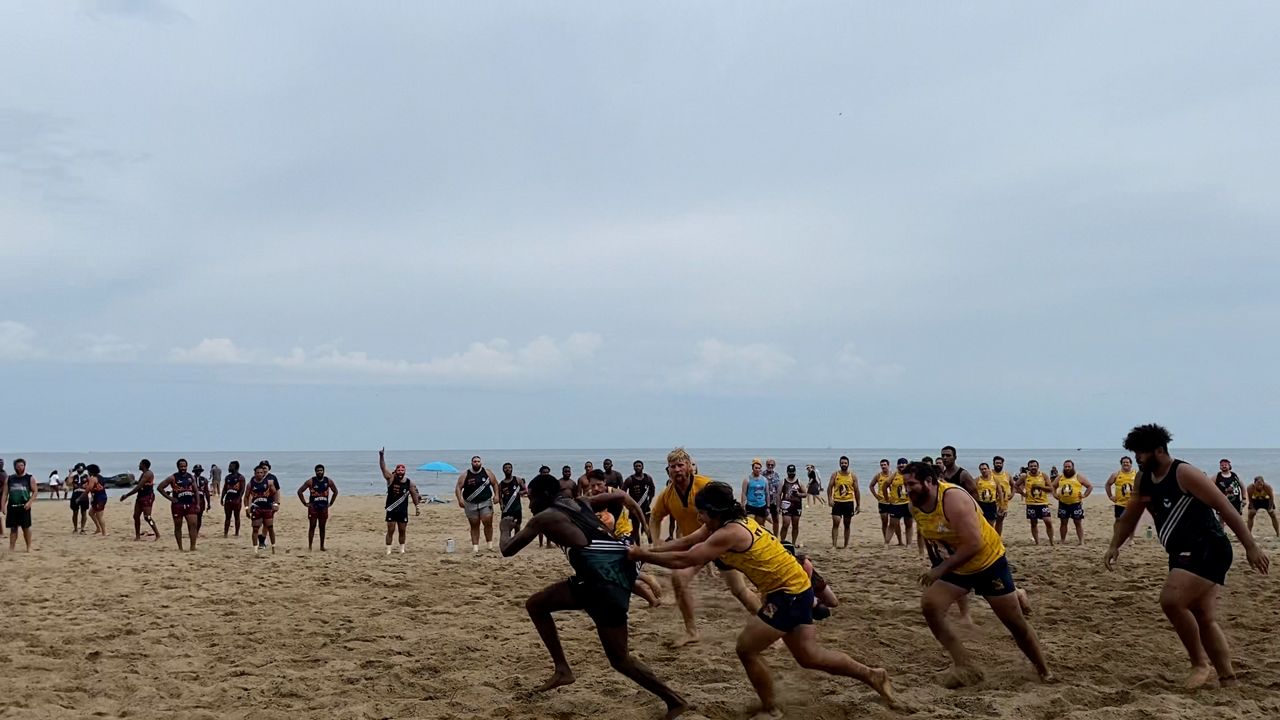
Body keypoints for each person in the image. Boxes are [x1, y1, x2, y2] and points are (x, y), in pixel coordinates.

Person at [633, 481, 896, 717]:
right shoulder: (728, 522)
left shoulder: (729, 533)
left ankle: (770, 709)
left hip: (788, 595)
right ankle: (872, 674)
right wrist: (649, 548)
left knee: (746, 648)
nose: (699, 516)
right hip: (797, 588)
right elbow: (687, 541)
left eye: (702, 511)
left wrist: (640, 557)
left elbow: (688, 558)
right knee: (810, 656)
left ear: (715, 512)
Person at [499, 474, 688, 719]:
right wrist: (640, 524)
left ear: (544, 496)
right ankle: (562, 669)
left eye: (531, 498)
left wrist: (505, 528)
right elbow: (620, 495)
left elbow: (507, 549)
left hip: (603, 586)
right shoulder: (582, 503)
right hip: (603, 579)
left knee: (620, 659)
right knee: (536, 604)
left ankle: (675, 700)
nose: (530, 504)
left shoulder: (543, 518)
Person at [1105, 423, 1270, 689]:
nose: (1137, 458)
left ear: (1159, 450)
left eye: (1141, 453)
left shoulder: (1184, 473)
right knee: (1204, 616)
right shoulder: (1144, 478)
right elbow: (1130, 515)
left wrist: (1251, 546)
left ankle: (1199, 663)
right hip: (1180, 553)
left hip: (1209, 548)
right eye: (1135, 453)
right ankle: (1228, 678)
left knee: (1171, 600)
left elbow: (1224, 506)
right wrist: (1115, 545)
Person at [904, 461, 1053, 687]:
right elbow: (931, 537)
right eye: (905, 484)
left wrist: (940, 570)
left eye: (912, 484)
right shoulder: (914, 505)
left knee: (1015, 624)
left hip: (988, 563)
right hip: (956, 567)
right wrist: (938, 565)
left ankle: (1044, 670)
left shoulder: (954, 500)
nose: (907, 489)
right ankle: (964, 663)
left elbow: (974, 544)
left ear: (929, 481)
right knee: (930, 606)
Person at [650, 447, 760, 647]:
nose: (676, 470)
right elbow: (655, 517)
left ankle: (771, 629)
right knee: (679, 578)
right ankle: (692, 631)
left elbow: (730, 508)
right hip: (698, 547)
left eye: (680, 465)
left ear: (690, 467)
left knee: (739, 590)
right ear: (668, 471)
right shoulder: (667, 494)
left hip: (721, 543)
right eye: (672, 466)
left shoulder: (705, 485)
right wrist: (656, 540)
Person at [379, 448, 421, 554]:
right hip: (391, 509)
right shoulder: (391, 479)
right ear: (396, 471)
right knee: (391, 530)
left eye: (402, 470)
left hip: (403, 510)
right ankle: (388, 549)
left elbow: (414, 494)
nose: (400, 472)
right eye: (399, 470)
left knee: (402, 530)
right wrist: (381, 457)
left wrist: (417, 507)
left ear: (405, 471)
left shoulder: (409, 482)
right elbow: (383, 469)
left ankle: (402, 549)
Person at [456, 456, 500, 554]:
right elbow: (458, 487)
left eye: (478, 461)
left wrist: (497, 495)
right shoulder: (466, 474)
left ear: (481, 463)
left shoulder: (487, 473)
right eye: (474, 461)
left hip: (485, 502)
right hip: (470, 503)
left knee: (487, 521)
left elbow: (495, 484)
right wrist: (460, 500)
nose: (476, 463)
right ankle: (475, 547)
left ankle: (490, 545)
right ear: (471, 463)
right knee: (474, 524)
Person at [157, 458, 200, 551]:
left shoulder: (191, 477)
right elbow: (160, 488)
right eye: (181, 466)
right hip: (178, 505)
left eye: (185, 466)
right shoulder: (173, 477)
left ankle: (193, 546)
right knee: (178, 526)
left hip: (190, 504)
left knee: (193, 524)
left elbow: (196, 491)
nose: (183, 468)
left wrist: (198, 504)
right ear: (178, 467)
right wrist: (171, 498)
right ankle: (180, 547)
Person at [297, 464, 339, 551]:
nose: (319, 472)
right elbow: (300, 491)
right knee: (312, 526)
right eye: (318, 470)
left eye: (321, 470)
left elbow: (335, 491)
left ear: (324, 471)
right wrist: (305, 503)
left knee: (322, 527)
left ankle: (322, 546)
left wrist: (331, 503)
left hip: (324, 507)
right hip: (313, 508)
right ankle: (310, 547)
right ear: (315, 472)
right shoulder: (311, 481)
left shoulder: (328, 481)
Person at [1052, 459, 1092, 545]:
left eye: (1069, 466)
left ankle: (1081, 541)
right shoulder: (1060, 477)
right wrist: (1054, 495)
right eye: (1065, 467)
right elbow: (1053, 486)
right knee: (1063, 523)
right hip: (1063, 504)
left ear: (1072, 467)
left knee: (1078, 522)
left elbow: (1089, 486)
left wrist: (1084, 495)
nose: (1067, 468)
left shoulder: (1078, 476)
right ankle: (1062, 540)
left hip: (1076, 504)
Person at [119, 458, 159, 541]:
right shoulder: (143, 473)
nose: (139, 465)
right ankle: (137, 536)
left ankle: (157, 533)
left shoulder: (148, 473)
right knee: (136, 516)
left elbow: (138, 487)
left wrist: (127, 495)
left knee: (147, 517)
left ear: (144, 465)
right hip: (140, 496)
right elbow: (141, 483)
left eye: (140, 464)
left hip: (147, 497)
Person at [1018, 460, 1055, 546]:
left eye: (1035, 466)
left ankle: (1051, 542)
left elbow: (1050, 489)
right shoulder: (1025, 476)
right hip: (1031, 504)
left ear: (1038, 467)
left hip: (1043, 503)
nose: (1033, 467)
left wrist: (1040, 486)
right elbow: (1016, 485)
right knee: (1033, 523)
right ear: (1028, 467)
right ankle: (1037, 542)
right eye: (1031, 466)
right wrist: (1023, 493)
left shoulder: (1043, 475)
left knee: (1048, 521)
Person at [1104, 456, 1139, 544]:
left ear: (1131, 464)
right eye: (1124, 462)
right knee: (1118, 521)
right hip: (1120, 503)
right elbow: (1108, 484)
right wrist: (1110, 496)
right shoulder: (1116, 474)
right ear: (1121, 464)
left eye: (1127, 462)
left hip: (1133, 503)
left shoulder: (1136, 474)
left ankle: (1130, 539)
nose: (1126, 464)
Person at [3, 458, 36, 551]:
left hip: (24, 507)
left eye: (22, 465)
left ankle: (28, 547)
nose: (20, 468)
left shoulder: (29, 478)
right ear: (14, 467)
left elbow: (35, 491)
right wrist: (3, 506)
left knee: (26, 528)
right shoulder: (10, 478)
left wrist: (30, 502)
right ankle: (11, 547)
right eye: (18, 466)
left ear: (24, 466)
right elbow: (5, 493)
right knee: (13, 528)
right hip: (12, 506)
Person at [827, 456, 859, 548]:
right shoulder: (835, 474)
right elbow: (829, 487)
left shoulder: (852, 476)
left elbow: (857, 491)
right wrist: (829, 499)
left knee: (847, 524)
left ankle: (846, 545)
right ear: (839, 464)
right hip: (837, 502)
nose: (843, 464)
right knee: (836, 523)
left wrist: (858, 504)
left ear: (848, 464)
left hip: (848, 502)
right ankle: (834, 545)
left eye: (845, 463)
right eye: (842, 463)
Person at [246, 464, 279, 553]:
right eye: (258, 473)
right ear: (254, 473)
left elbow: (275, 492)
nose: (260, 474)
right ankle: (255, 550)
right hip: (256, 508)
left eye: (261, 472)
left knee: (270, 527)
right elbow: (246, 497)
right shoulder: (250, 484)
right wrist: (247, 508)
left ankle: (273, 548)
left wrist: (276, 503)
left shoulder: (269, 482)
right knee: (255, 528)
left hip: (267, 508)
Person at [623, 460, 656, 543]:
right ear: (633, 468)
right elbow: (623, 493)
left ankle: (650, 544)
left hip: (646, 507)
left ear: (643, 467)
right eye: (636, 466)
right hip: (634, 508)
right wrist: (628, 504)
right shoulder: (629, 480)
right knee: (635, 529)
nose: (638, 467)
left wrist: (650, 500)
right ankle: (638, 545)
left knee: (648, 526)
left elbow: (652, 489)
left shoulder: (648, 478)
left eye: (639, 466)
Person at [778, 464, 806, 545]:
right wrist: (778, 506)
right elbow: (779, 494)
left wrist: (798, 494)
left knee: (795, 525)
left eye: (793, 472)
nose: (791, 474)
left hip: (797, 506)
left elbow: (805, 494)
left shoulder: (799, 482)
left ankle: (793, 543)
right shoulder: (783, 481)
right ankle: (782, 542)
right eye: (790, 472)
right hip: (786, 505)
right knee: (785, 524)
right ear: (787, 472)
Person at [497, 462, 528, 535]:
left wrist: (521, 492)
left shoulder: (518, 480)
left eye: (509, 467)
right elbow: (499, 496)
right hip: (506, 508)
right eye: (505, 468)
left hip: (516, 507)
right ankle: (508, 541)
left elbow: (526, 490)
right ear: (503, 470)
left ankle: (516, 540)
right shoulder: (501, 484)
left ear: (512, 469)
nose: (507, 469)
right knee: (506, 526)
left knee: (517, 525)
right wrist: (501, 504)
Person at [888, 458, 913, 546]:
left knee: (908, 524)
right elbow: (885, 485)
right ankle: (886, 543)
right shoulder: (895, 474)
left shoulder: (911, 475)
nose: (901, 465)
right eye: (900, 464)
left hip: (907, 503)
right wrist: (887, 497)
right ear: (897, 465)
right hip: (896, 504)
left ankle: (909, 544)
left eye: (903, 464)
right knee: (892, 524)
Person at [871, 459, 894, 544]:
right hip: (882, 502)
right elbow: (871, 485)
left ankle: (899, 541)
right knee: (884, 522)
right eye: (882, 465)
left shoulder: (893, 475)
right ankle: (886, 540)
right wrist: (876, 496)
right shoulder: (878, 476)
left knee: (894, 523)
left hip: (892, 502)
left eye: (885, 465)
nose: (883, 466)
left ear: (888, 465)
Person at [742, 459, 769, 524]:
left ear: (761, 469)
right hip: (751, 505)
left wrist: (768, 507)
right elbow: (743, 493)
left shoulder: (764, 480)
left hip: (761, 505)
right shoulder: (747, 480)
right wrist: (742, 506)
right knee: (750, 525)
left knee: (760, 526)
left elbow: (767, 493)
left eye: (759, 468)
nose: (757, 470)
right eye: (756, 468)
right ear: (752, 468)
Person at [991, 456, 1013, 536]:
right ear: (993, 463)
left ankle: (998, 538)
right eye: (997, 463)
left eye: (1000, 463)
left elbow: (1014, 485)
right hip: (991, 502)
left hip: (1003, 503)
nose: (998, 465)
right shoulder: (989, 473)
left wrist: (1012, 494)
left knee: (999, 521)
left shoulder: (1007, 475)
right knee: (990, 521)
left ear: (1003, 464)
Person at [222, 460, 244, 537]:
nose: (229, 467)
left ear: (236, 467)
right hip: (228, 499)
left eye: (231, 466)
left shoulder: (240, 477)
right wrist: (222, 498)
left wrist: (239, 498)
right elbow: (225, 488)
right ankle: (225, 533)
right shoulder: (227, 477)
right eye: (229, 466)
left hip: (236, 499)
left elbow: (242, 489)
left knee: (236, 516)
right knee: (227, 517)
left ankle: (237, 532)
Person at [86, 464, 108, 536]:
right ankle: (98, 528)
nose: (87, 473)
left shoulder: (93, 478)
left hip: (99, 498)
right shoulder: (100, 477)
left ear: (91, 472)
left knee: (99, 516)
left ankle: (104, 532)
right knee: (91, 513)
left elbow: (89, 488)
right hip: (99, 497)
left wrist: (86, 487)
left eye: (88, 471)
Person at [763, 458, 783, 535]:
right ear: (766, 465)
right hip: (764, 501)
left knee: (776, 520)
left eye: (772, 465)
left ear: (774, 465)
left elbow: (779, 490)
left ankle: (775, 537)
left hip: (774, 501)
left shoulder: (776, 475)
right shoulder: (762, 474)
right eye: (768, 464)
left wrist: (779, 504)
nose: (770, 466)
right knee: (762, 520)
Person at [68, 463, 90, 534]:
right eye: (78, 468)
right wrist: (70, 473)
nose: (80, 469)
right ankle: (75, 528)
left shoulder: (86, 476)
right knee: (75, 512)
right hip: (75, 494)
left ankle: (82, 528)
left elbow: (90, 483)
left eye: (81, 468)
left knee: (84, 512)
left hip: (84, 494)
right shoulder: (74, 476)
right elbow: (69, 483)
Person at [193, 464, 211, 537]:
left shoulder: (204, 480)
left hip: (201, 501)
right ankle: (193, 531)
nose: (198, 472)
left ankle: (196, 532)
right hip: (192, 500)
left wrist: (209, 503)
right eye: (197, 471)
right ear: (194, 471)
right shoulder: (191, 478)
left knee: (199, 517)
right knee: (193, 518)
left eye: (199, 470)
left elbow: (206, 492)